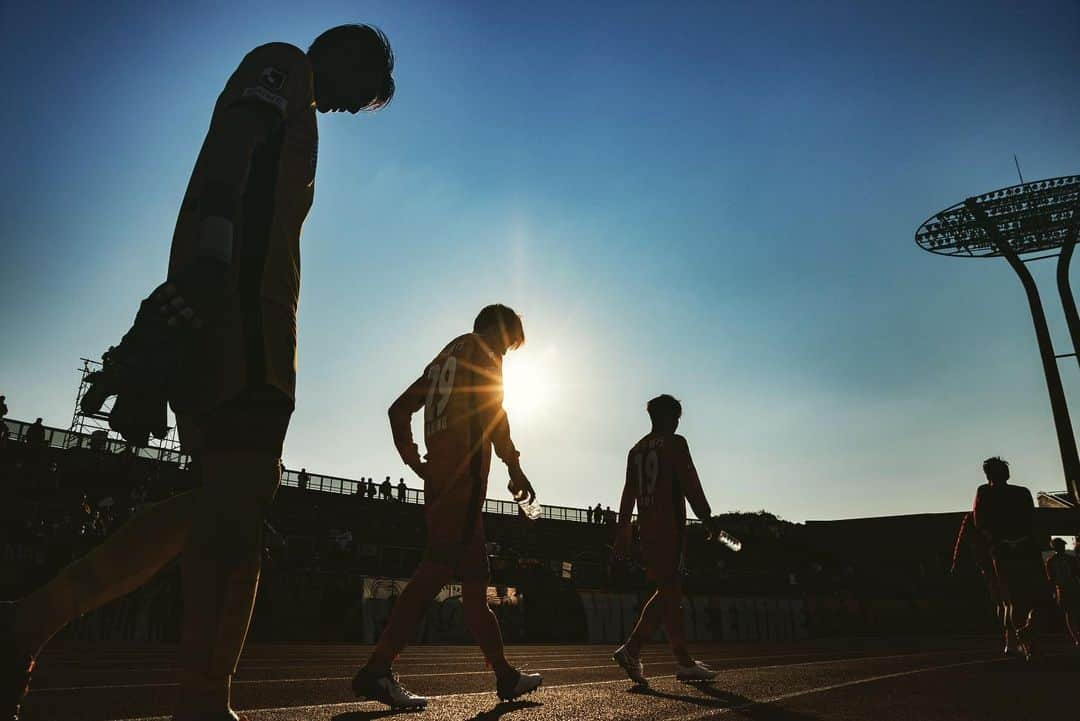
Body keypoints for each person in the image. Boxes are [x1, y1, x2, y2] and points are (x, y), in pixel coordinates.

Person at [4, 24, 395, 721]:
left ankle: (51, 631)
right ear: (343, 52)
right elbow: (232, 148)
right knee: (239, 499)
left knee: (229, 500)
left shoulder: (298, 99)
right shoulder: (284, 67)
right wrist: (213, 265)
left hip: (245, 311)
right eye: (357, 90)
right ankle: (191, 695)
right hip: (242, 313)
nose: (347, 105)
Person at [351, 304, 542, 709]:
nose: (505, 355)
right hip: (464, 479)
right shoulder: (484, 351)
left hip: (441, 476)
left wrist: (415, 460)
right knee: (436, 568)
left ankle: (505, 676)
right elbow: (495, 411)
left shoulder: (443, 359)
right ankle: (378, 668)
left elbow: (398, 409)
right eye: (507, 346)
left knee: (475, 585)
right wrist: (515, 466)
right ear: (495, 331)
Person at [611, 394, 720, 685]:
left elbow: (628, 492)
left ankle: (679, 659)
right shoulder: (675, 443)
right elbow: (690, 481)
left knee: (669, 591)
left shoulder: (635, 450)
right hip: (669, 525)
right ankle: (637, 649)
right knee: (670, 590)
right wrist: (707, 517)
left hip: (645, 527)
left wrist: (622, 532)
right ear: (672, 417)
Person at [972, 456, 1050, 660]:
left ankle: (1024, 636)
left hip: (1009, 549)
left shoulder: (989, 492)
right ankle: (1026, 640)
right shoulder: (1015, 492)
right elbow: (982, 523)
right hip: (1015, 548)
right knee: (1025, 598)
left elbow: (980, 523)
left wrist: (1000, 542)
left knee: (1018, 600)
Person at [950, 510, 1002, 623]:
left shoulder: (972, 518)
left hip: (984, 562)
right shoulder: (1001, 516)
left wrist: (956, 562)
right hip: (994, 561)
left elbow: (962, 542)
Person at [1044, 538, 1080, 646]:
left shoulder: (1050, 561)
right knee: (1073, 612)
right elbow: (1076, 573)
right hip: (1073, 587)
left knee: (1069, 614)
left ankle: (1076, 637)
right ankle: (1077, 636)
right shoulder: (1071, 559)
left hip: (1062, 589)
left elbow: (1051, 579)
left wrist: (1054, 592)